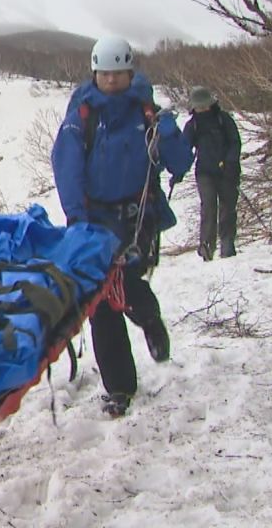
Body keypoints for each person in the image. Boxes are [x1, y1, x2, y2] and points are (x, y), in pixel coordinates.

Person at [51, 37, 193, 418]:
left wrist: (169, 132)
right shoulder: (82, 115)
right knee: (100, 302)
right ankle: (120, 388)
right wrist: (77, 217)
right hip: (95, 220)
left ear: (131, 73)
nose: (111, 80)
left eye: (118, 74)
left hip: (136, 217)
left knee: (126, 284)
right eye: (105, 74)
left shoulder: (145, 113)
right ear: (95, 73)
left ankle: (148, 318)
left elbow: (179, 164)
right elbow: (67, 166)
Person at [181, 86, 242, 260]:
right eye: (198, 107)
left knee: (228, 208)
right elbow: (185, 150)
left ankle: (227, 244)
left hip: (227, 172)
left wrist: (231, 162)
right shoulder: (192, 125)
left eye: (204, 106)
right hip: (204, 172)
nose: (201, 109)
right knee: (208, 208)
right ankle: (207, 246)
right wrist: (179, 171)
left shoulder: (224, 119)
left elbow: (235, 142)